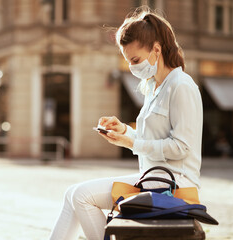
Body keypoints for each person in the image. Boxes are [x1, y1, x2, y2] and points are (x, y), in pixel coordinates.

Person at [49, 7, 203, 240]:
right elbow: (149, 138)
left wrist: (131, 142)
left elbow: (182, 147)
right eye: (128, 61)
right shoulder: (153, 87)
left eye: (135, 59)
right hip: (152, 178)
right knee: (72, 193)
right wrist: (124, 131)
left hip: (174, 184)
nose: (132, 67)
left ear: (157, 49)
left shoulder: (181, 85)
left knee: (81, 195)